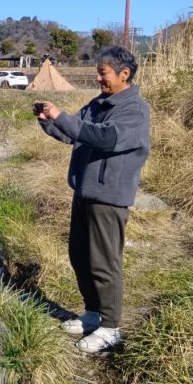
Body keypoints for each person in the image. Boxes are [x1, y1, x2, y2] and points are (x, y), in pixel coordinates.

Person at [36, 45, 150, 354]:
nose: (98, 78)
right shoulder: (99, 103)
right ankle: (92, 314)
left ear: (124, 74)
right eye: (98, 73)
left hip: (109, 198)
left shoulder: (134, 110)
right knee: (80, 255)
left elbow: (104, 137)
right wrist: (48, 120)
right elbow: (73, 132)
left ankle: (111, 328)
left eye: (103, 73)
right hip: (84, 192)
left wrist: (62, 116)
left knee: (104, 263)